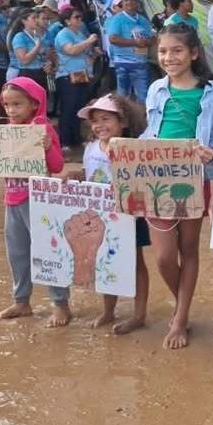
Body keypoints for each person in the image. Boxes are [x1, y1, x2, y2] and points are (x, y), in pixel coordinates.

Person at [140, 23, 213, 349]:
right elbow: (150, 132)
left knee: (188, 249)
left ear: (193, 53)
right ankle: (183, 304)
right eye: (163, 51)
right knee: (164, 256)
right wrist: (120, 150)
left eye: (176, 50)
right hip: (157, 180)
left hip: (195, 178)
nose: (168, 57)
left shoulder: (211, 94)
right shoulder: (155, 90)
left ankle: (180, 317)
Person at [0, 77, 68, 326]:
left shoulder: (42, 129)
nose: (11, 110)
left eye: (17, 104)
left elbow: (57, 166)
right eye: (6, 104)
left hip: (40, 201)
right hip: (12, 199)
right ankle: (22, 301)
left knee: (48, 252)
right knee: (17, 253)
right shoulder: (4, 130)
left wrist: (47, 147)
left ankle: (61, 304)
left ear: (34, 104)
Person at [58, 94, 151, 332]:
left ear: (124, 122)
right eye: (95, 121)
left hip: (129, 215)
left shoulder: (133, 148)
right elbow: (90, 173)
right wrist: (77, 175)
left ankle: (139, 314)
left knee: (136, 262)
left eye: (106, 119)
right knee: (105, 262)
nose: (100, 125)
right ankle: (109, 311)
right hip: (99, 214)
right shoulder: (91, 148)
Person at [54, 6, 99, 149]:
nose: (80, 19)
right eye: (76, 17)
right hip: (67, 75)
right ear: (67, 21)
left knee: (78, 108)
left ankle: (75, 138)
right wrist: (89, 41)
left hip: (82, 75)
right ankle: (65, 141)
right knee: (68, 108)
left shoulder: (80, 33)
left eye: (80, 17)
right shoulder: (63, 34)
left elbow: (85, 53)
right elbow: (71, 50)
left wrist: (95, 53)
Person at [105, 0, 155, 103]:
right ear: (122, 2)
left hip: (141, 63)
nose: (129, 2)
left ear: (137, 3)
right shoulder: (117, 19)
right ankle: (124, 120)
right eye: (126, 0)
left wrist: (147, 42)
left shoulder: (143, 20)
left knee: (143, 97)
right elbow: (112, 39)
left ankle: (141, 119)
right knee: (123, 99)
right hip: (123, 64)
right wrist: (135, 42)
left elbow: (152, 38)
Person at [11, 8, 52, 91]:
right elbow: (24, 60)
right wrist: (37, 46)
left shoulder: (38, 36)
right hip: (28, 73)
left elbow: (47, 55)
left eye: (37, 17)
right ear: (24, 21)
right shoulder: (20, 37)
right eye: (33, 18)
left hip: (42, 73)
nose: (36, 20)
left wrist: (49, 62)